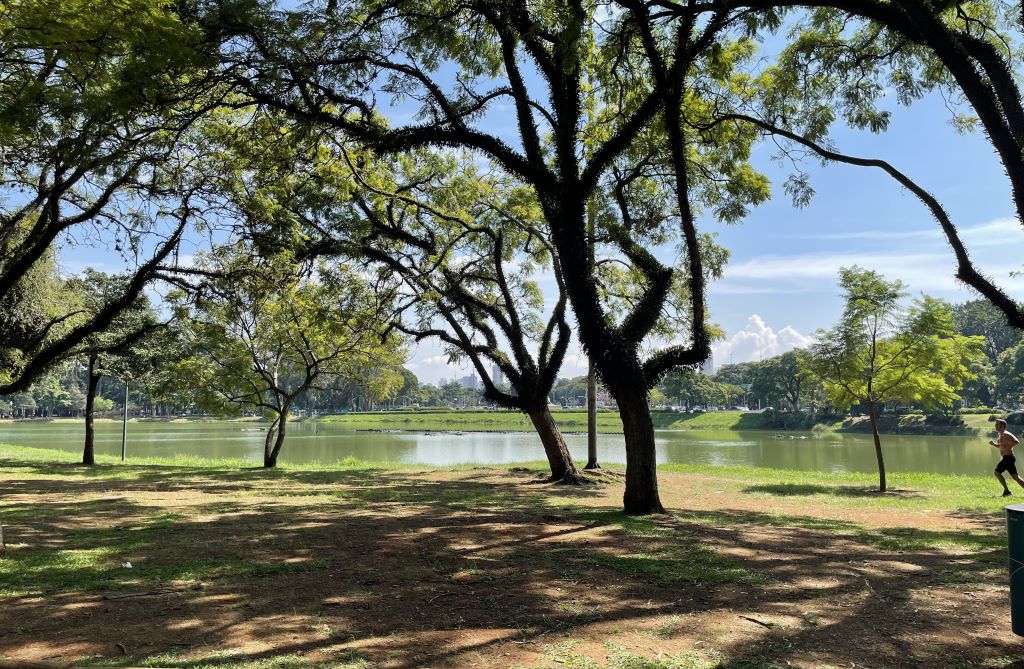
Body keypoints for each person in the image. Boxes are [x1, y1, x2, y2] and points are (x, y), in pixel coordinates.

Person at [991, 418, 1024, 497]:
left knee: (997, 472)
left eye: (997, 424)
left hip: (1008, 458)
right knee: (1015, 477)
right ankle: (1007, 491)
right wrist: (993, 444)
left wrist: (1008, 446)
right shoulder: (1000, 435)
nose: (995, 426)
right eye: (995, 424)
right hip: (1007, 458)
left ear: (1002, 426)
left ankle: (1007, 491)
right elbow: (1000, 446)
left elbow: (1016, 441)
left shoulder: (1006, 434)